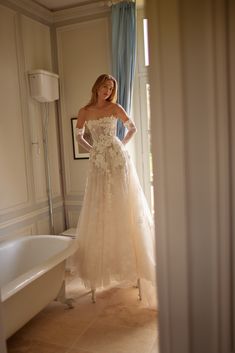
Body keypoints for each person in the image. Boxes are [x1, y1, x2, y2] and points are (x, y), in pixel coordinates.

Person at [74, 74, 156, 304]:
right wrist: (94, 150)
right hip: (99, 161)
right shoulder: (85, 111)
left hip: (118, 159)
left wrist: (120, 145)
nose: (107, 91)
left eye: (111, 88)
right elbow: (79, 136)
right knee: (100, 204)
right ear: (96, 86)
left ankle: (135, 268)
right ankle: (100, 270)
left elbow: (133, 128)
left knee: (124, 202)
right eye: (104, 86)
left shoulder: (115, 107)